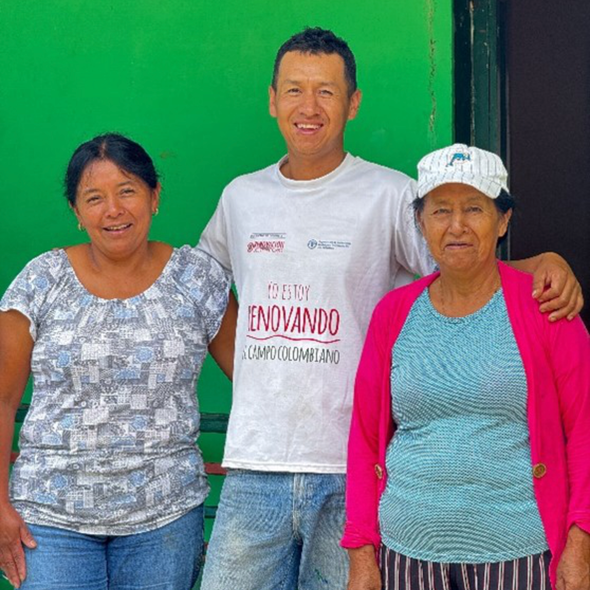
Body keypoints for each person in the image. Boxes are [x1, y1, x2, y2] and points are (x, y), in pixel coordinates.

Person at [197, 28, 584, 590]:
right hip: (256, 462)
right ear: (272, 99)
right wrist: (252, 368)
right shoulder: (240, 197)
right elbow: (205, 294)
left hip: (351, 467)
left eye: (327, 92)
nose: (309, 107)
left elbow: (458, 259)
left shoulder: (388, 194)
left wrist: (541, 263)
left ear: (353, 102)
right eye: (295, 90)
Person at [342, 144, 590, 590]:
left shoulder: (547, 308)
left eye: (474, 208)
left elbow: (585, 433)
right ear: (421, 221)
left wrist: (580, 542)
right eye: (440, 210)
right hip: (406, 555)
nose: (456, 226)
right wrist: (362, 552)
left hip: (519, 554)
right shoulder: (393, 314)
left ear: (503, 220)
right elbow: (364, 438)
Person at [0, 133, 237, 589]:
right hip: (51, 516)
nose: (113, 210)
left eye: (127, 190)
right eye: (94, 198)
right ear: (76, 211)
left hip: (164, 515)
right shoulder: (41, 281)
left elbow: (257, 376)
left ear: (154, 196)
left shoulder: (196, 278)